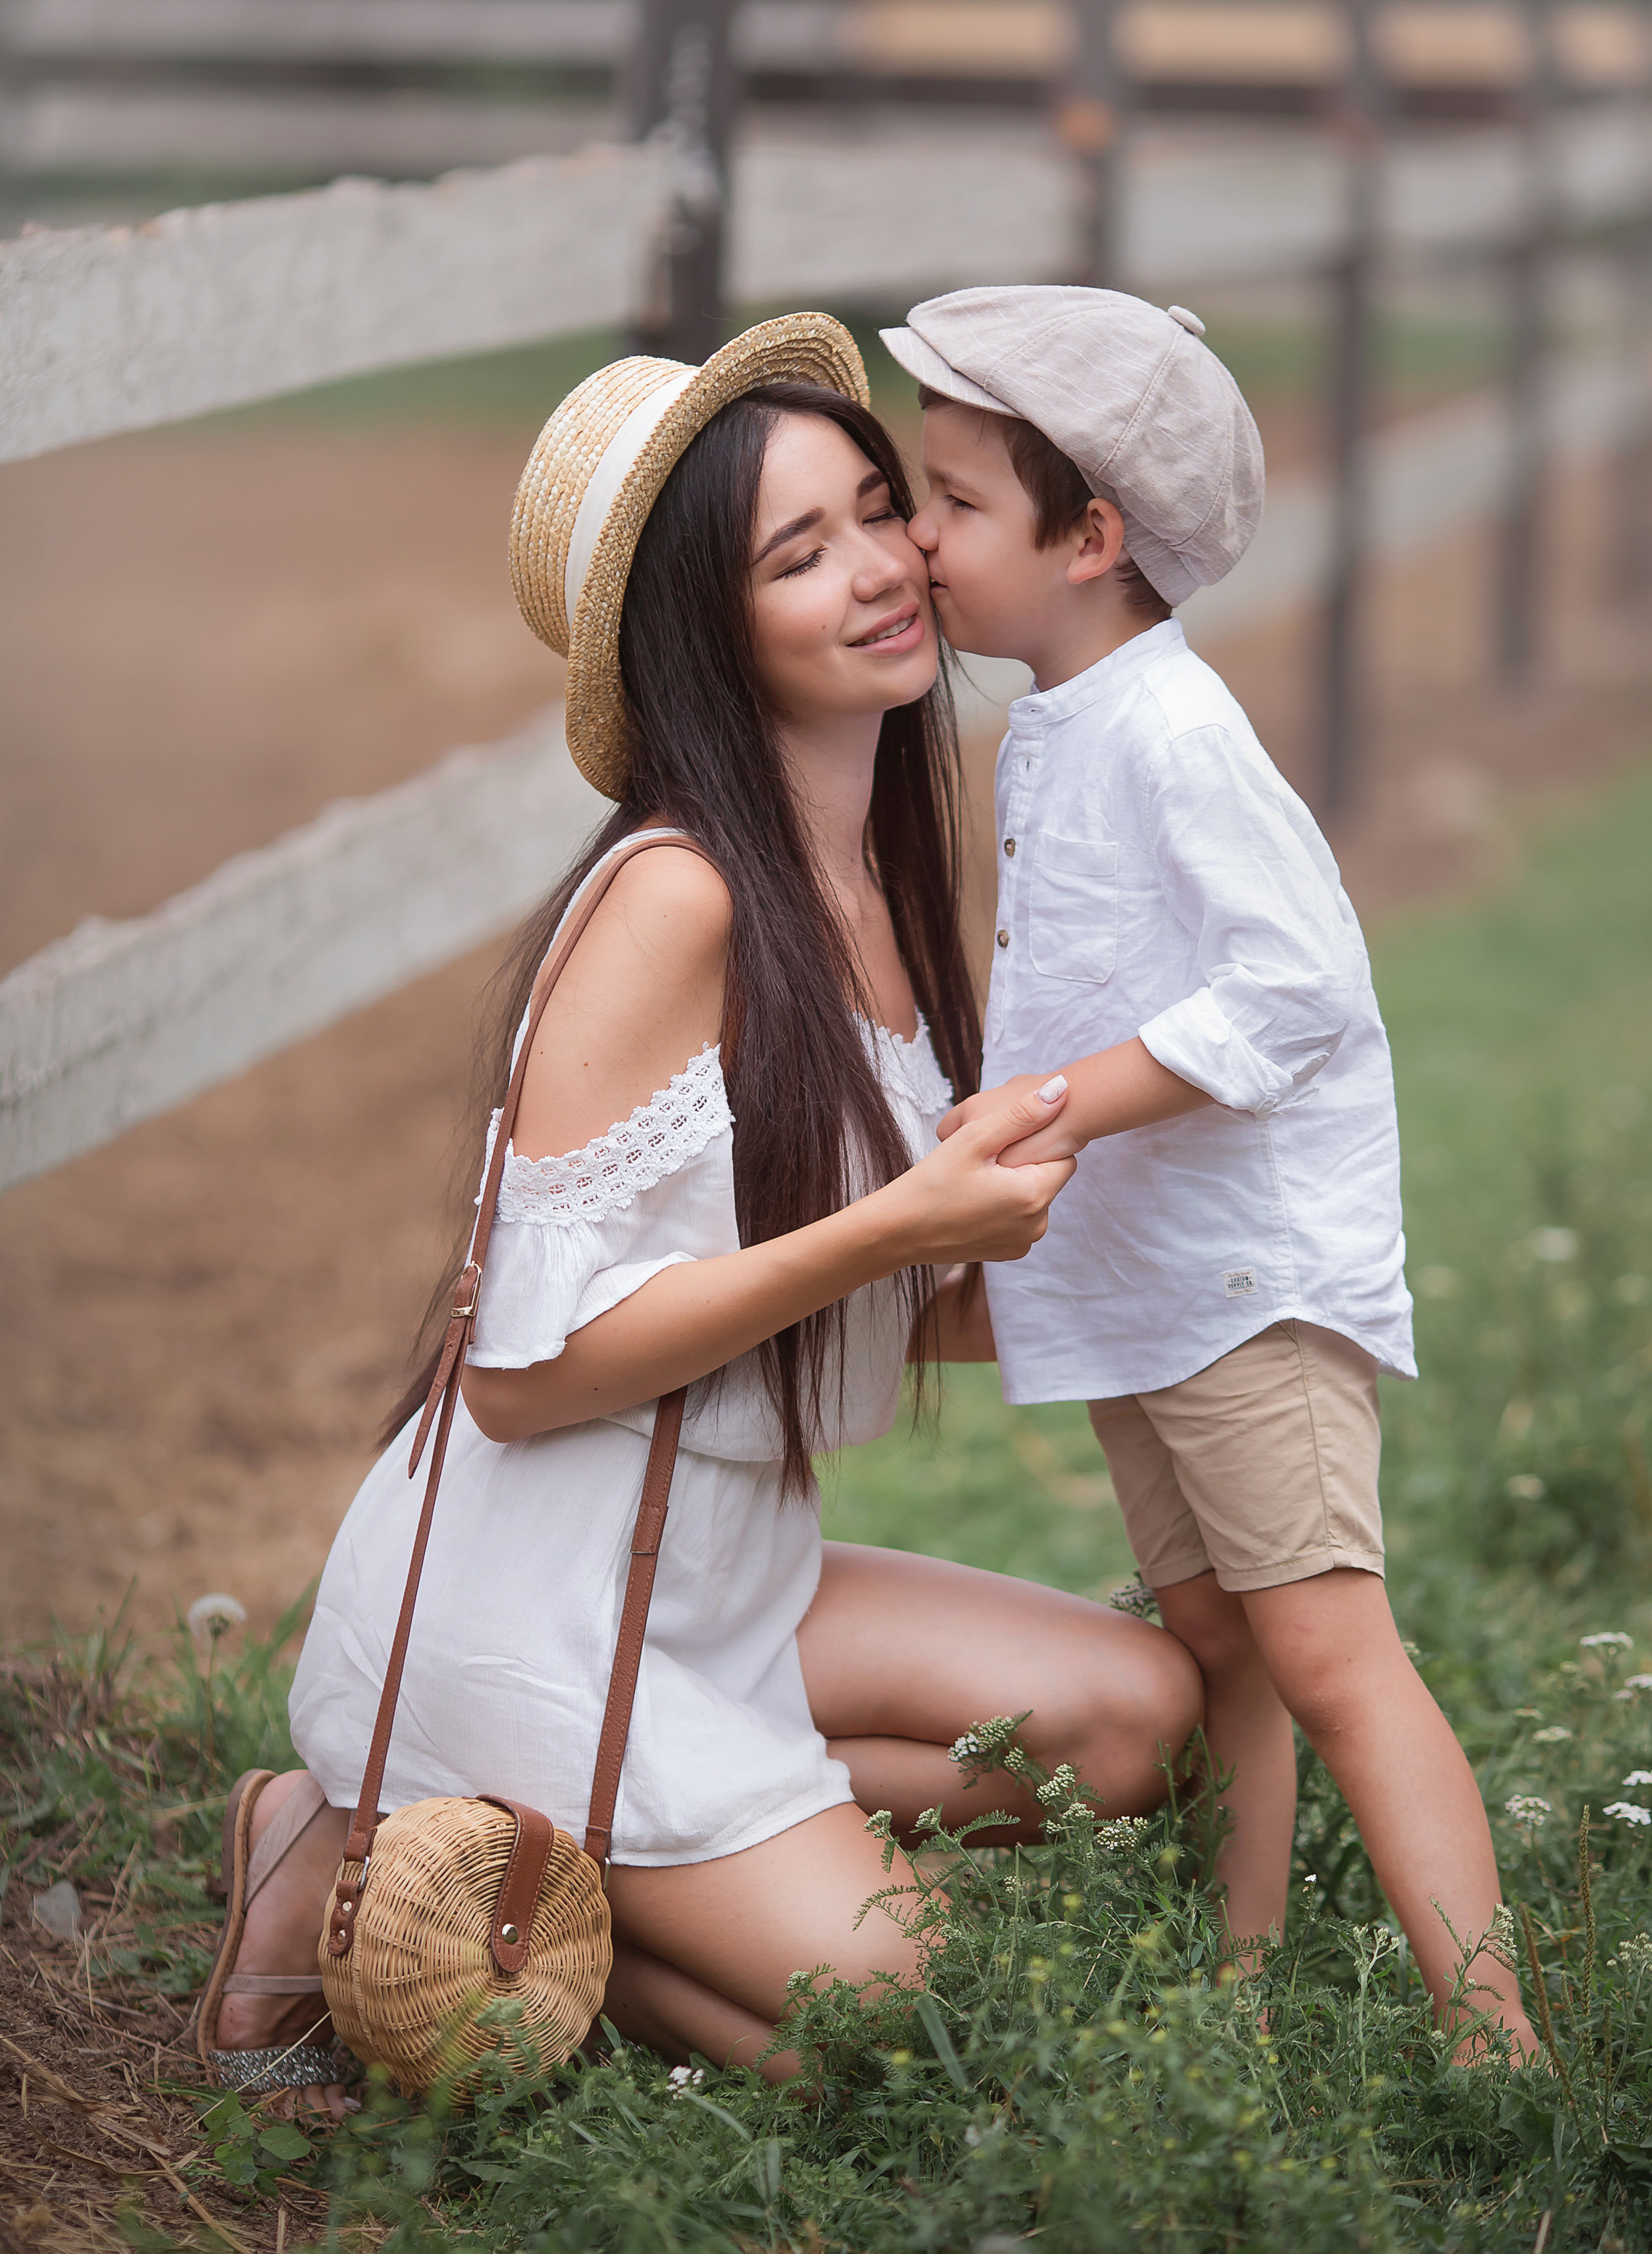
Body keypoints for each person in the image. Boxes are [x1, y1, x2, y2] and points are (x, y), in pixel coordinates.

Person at [191, 313, 1202, 2115]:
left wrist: (1200, 1265)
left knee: (1132, 1720)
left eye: (880, 511)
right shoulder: (671, 899)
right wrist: (899, 1231)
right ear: (700, 635)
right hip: (548, 1597)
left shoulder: (880, 882)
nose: (884, 569)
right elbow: (517, 1375)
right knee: (903, 2041)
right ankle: (381, 1848)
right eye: (795, 554)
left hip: (729, 1578)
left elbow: (879, 1291)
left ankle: (460, 1845)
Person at [882, 283, 1536, 2056]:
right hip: (1149, 1281)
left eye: (948, 503)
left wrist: (1059, 1108)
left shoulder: (1173, 732)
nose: (915, 538)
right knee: (1218, 1639)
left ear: (1088, 538)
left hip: (1245, 1279)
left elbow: (1299, 983)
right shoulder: (1060, 718)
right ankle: (1236, 1983)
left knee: (1327, 1652)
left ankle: (1495, 2040)